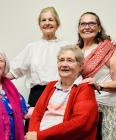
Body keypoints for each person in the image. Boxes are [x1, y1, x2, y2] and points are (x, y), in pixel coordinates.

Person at [6, 6, 69, 131]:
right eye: (43, 20)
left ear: (57, 23)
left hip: (61, 94)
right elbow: (14, 71)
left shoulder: (66, 46)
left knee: (56, 131)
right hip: (37, 95)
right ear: (39, 24)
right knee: (33, 131)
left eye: (51, 19)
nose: (47, 23)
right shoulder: (32, 47)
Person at [24, 45, 99, 140]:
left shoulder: (85, 88)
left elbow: (80, 123)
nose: (64, 64)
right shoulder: (51, 85)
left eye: (70, 60)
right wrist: (33, 134)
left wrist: (40, 136)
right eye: (61, 60)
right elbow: (37, 114)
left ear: (80, 66)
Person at [77, 12, 116, 140]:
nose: (87, 27)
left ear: (99, 28)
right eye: (83, 23)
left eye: (92, 23)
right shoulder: (74, 50)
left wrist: (99, 86)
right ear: (79, 28)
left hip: (106, 109)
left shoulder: (109, 49)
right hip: (82, 109)